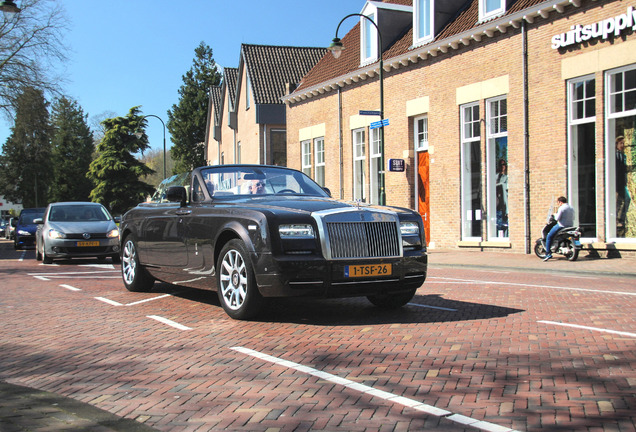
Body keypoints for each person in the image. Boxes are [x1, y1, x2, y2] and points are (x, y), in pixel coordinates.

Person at [544, 196, 575, 262]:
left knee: (549, 236)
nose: (558, 204)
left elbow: (557, 218)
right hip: (570, 226)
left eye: (558, 203)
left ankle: (548, 253)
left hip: (561, 225)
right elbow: (573, 217)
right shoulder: (571, 207)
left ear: (560, 202)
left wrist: (555, 214)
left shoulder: (561, 208)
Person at [615, 135, 631, 230]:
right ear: (616, 144)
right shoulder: (615, 155)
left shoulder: (623, 156)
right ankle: (617, 220)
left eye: (624, 143)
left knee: (626, 199)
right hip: (616, 182)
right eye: (621, 143)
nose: (623, 145)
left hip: (622, 183)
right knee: (618, 201)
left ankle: (621, 219)